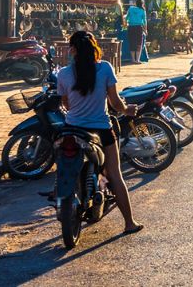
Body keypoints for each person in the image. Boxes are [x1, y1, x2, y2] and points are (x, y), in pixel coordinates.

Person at [56, 31, 143, 235]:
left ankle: (59, 194)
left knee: (62, 165)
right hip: (101, 130)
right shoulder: (104, 68)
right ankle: (129, 223)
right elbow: (114, 102)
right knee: (114, 174)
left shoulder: (64, 74)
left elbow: (65, 103)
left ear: (73, 50)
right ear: (94, 47)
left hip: (72, 129)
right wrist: (127, 110)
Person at [126, 0, 147, 65]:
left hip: (131, 27)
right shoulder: (142, 11)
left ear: (136, 3)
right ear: (142, 4)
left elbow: (126, 18)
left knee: (132, 42)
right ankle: (137, 59)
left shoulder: (131, 8)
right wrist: (145, 30)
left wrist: (126, 24)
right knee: (139, 43)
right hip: (138, 28)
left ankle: (133, 59)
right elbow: (144, 21)